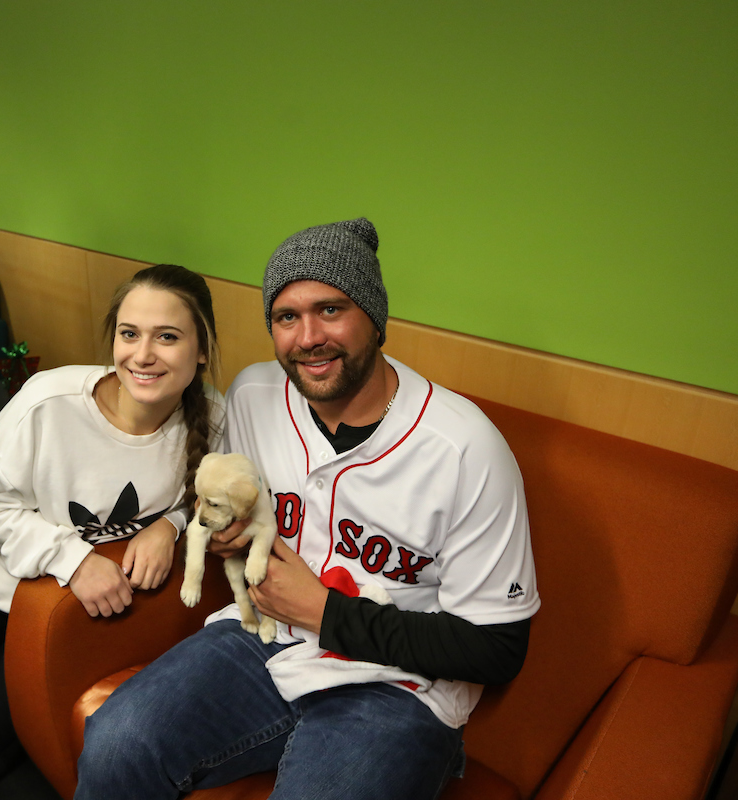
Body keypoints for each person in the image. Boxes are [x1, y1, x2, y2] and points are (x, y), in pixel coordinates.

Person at [75, 218, 541, 800]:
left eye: (330, 309)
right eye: (286, 317)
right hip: (262, 637)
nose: (307, 336)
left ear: (374, 317)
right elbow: (230, 504)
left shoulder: (464, 447)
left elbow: (497, 649)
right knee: (120, 741)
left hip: (396, 686)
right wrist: (222, 532)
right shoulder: (255, 393)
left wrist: (327, 612)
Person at [0, 264, 224, 800]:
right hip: (5, 573)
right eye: (130, 334)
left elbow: (215, 503)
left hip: (80, 611)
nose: (143, 354)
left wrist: (171, 525)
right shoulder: (47, 402)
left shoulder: (214, 417)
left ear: (200, 351)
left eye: (167, 337)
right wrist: (73, 558)